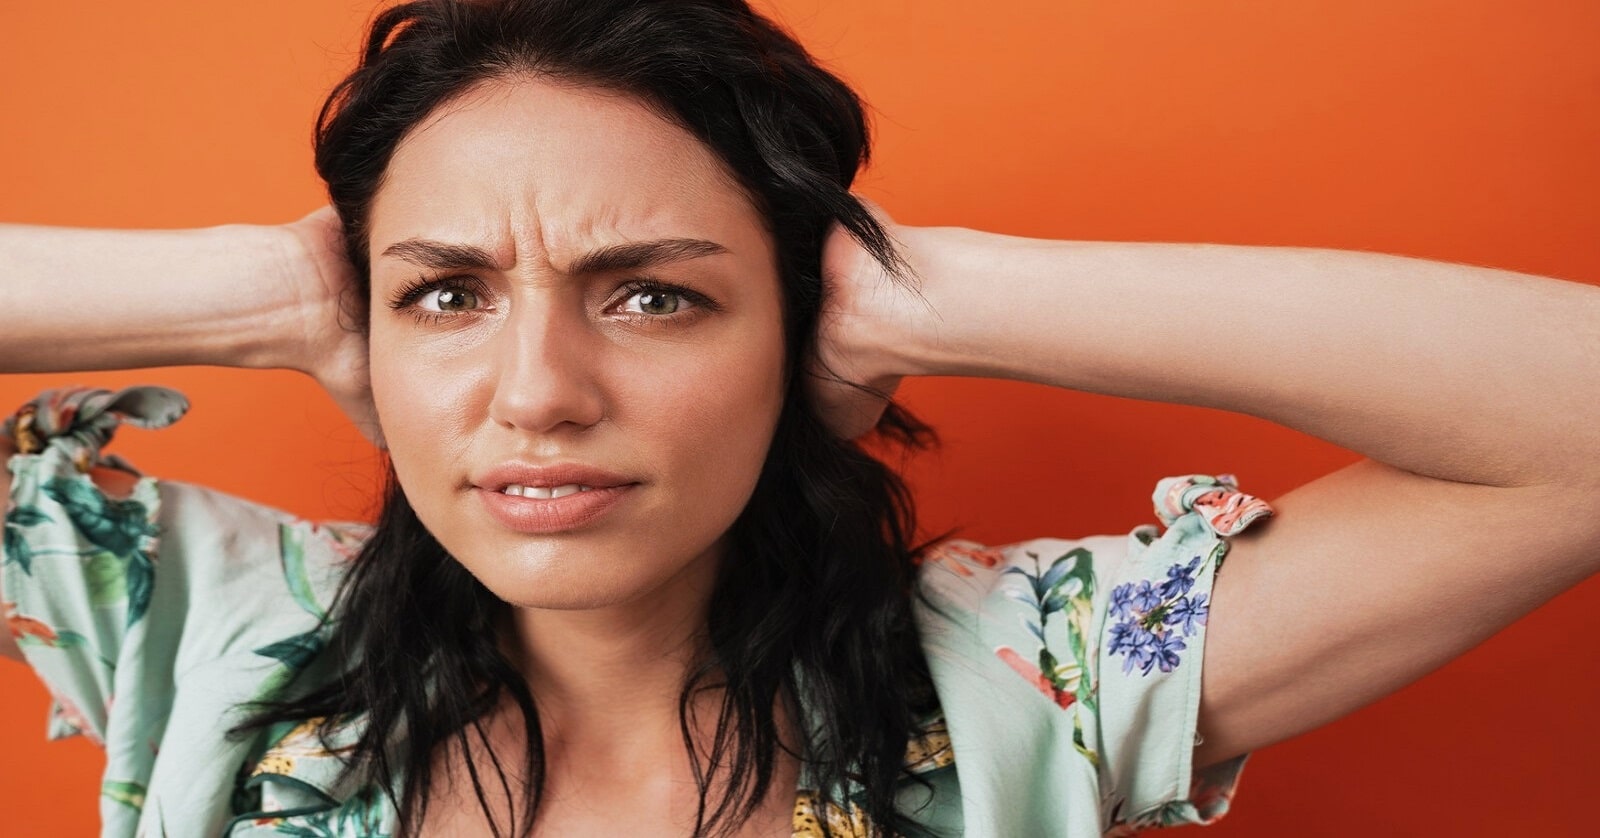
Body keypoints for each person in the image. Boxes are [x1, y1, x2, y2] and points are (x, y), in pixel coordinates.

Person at [2, 0, 1596, 835]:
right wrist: (251, 290)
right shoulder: (193, 631)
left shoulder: (1020, 682)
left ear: (796, 328)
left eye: (655, 295)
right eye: (446, 296)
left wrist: (928, 293)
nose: (539, 391)